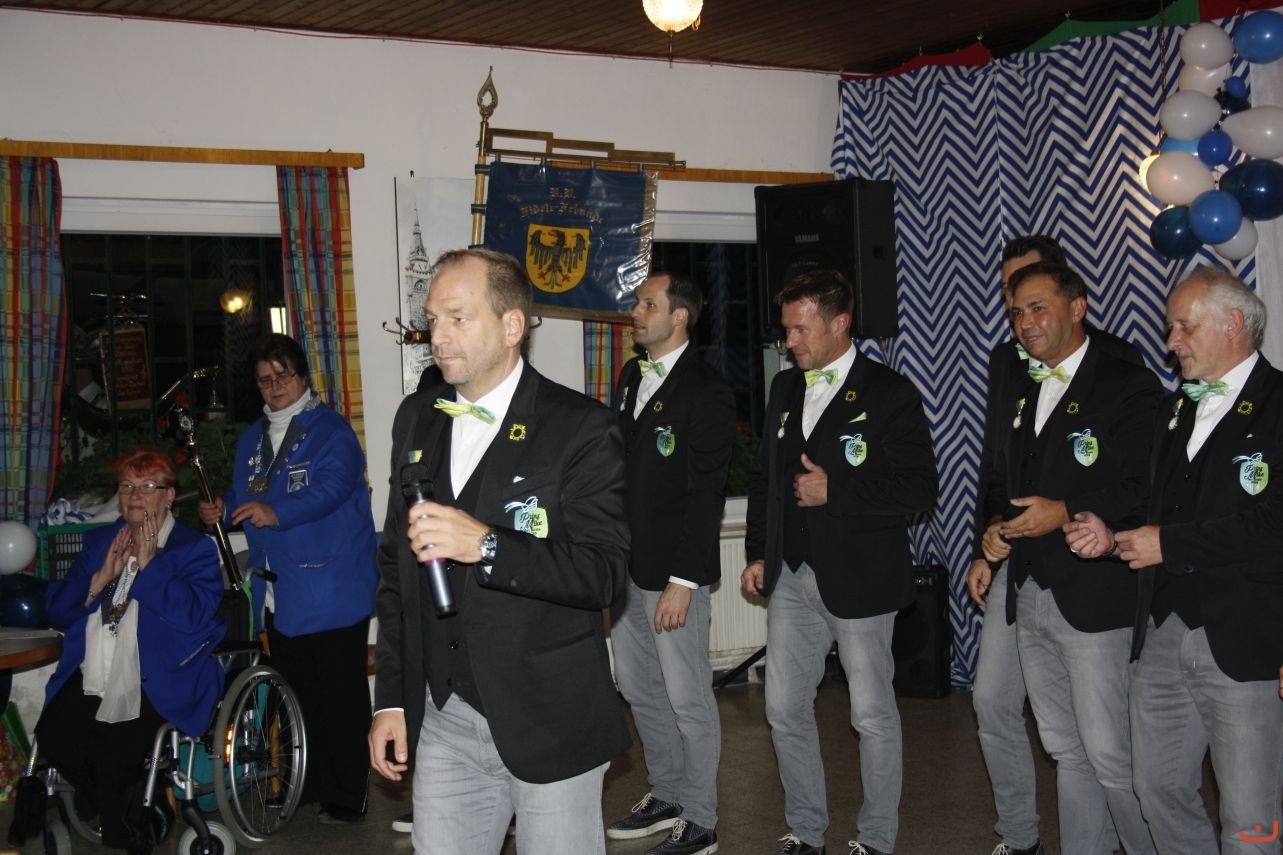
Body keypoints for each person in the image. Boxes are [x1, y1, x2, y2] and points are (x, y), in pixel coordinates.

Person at [368, 247, 631, 855]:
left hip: (550, 717)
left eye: (458, 318)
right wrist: (391, 701)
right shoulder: (416, 417)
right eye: (433, 319)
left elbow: (603, 574)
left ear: (512, 326)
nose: (438, 336)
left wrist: (486, 545)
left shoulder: (580, 426)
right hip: (445, 716)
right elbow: (395, 573)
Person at [1066, 267, 1283, 855]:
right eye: (1170, 327)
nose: (1171, 341)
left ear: (1233, 324)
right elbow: (1153, 507)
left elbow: (1273, 522)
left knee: (1251, 818)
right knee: (1156, 789)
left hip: (1247, 637)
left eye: (1184, 326)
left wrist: (1172, 545)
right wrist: (1110, 536)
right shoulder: (1174, 412)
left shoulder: (1279, 404)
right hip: (1164, 629)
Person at [741, 269, 938, 855]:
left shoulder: (889, 391)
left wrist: (838, 491)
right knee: (783, 709)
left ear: (840, 323)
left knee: (871, 715)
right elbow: (765, 479)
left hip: (860, 578)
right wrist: (758, 551)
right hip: (791, 575)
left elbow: (919, 489)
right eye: (786, 330)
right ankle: (806, 831)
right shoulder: (784, 388)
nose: (790, 342)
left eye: (801, 330)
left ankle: (875, 839)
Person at [965, 234, 1141, 855]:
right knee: (1051, 738)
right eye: (1014, 307)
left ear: (1075, 302)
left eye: (1037, 304)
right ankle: (1038, 840)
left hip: (1091, 586)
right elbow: (1000, 470)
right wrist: (990, 535)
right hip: (1026, 574)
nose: (1024, 320)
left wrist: (1065, 511)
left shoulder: (1122, 371)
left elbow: (1146, 483)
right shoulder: (1014, 372)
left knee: (1108, 751)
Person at [198, 333, 377, 824]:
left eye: (283, 376)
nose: (275, 386)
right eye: (264, 380)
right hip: (279, 589)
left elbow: (332, 488)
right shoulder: (253, 437)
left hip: (331, 584)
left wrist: (275, 511)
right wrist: (223, 508)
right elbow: (247, 495)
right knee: (296, 694)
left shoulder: (331, 431)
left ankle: (348, 794)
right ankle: (305, 785)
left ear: (303, 377)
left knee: (339, 694)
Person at [38, 447, 226, 854]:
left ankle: (130, 831)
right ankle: (117, 805)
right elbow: (56, 609)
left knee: (114, 749)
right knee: (53, 736)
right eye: (126, 486)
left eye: (147, 486)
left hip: (160, 675)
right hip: (96, 670)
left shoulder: (193, 548)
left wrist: (149, 565)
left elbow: (195, 616)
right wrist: (98, 580)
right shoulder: (100, 542)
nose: (135, 495)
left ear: (169, 496)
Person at [607, 272, 734, 855]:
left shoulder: (707, 389)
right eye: (638, 302)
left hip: (674, 573)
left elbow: (706, 493)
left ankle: (701, 821)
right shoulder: (631, 376)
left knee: (688, 698)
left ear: (679, 317)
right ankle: (667, 793)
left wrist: (684, 581)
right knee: (638, 687)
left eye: (648, 304)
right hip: (628, 568)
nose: (636, 312)